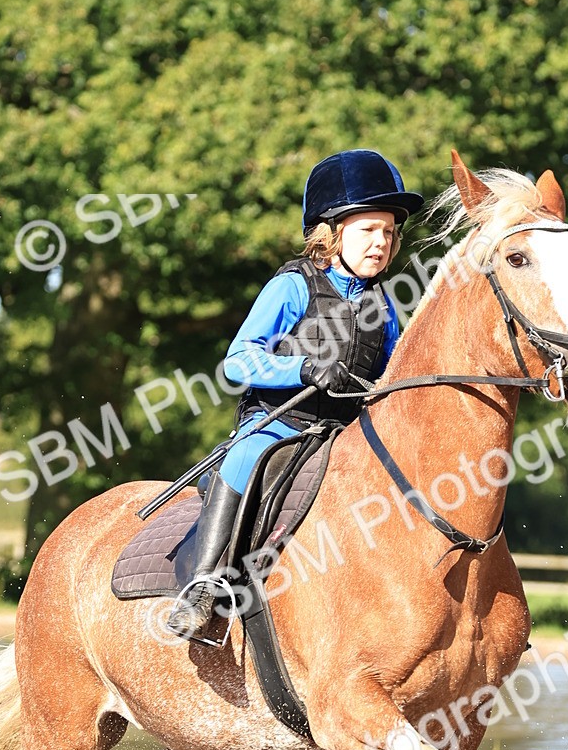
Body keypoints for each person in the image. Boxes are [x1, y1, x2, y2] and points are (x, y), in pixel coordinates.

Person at [168, 148, 423, 637]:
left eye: (390, 232)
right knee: (246, 457)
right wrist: (303, 368)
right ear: (332, 233)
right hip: (279, 424)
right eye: (369, 230)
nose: (382, 242)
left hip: (345, 435)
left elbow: (394, 373)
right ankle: (203, 585)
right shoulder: (293, 286)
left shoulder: (385, 306)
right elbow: (239, 360)